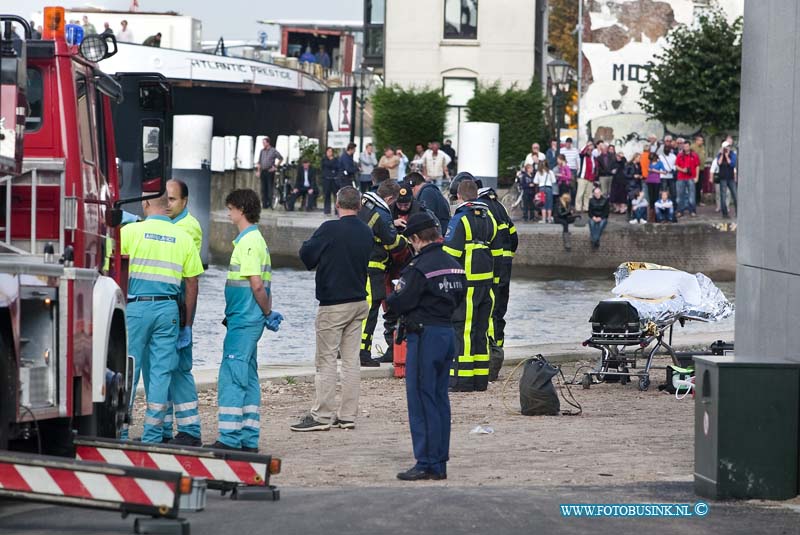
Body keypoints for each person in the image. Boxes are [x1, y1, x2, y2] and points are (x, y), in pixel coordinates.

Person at [386, 212, 466, 481]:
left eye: (411, 241)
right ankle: (440, 461)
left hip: (425, 336)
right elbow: (458, 298)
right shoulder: (455, 265)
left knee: (421, 399)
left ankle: (425, 462)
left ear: (417, 239)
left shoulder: (418, 267)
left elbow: (401, 300)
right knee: (440, 399)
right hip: (446, 334)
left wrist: (391, 297)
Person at [121, 193, 203, 443]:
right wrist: (187, 324)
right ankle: (153, 434)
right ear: (168, 206)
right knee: (160, 374)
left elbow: (110, 269)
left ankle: (120, 431)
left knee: (128, 372)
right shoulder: (184, 237)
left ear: (145, 204)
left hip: (135, 308)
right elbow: (192, 284)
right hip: (168, 310)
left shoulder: (130, 233)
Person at [292, 187, 373, 431]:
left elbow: (307, 255)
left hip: (333, 303)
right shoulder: (366, 231)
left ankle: (322, 415)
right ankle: (347, 415)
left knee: (326, 360)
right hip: (359, 301)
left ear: (337, 203)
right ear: (358, 206)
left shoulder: (329, 229)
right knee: (351, 361)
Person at [208, 190, 282, 451]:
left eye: (230, 209)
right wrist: (266, 315)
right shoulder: (254, 240)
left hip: (244, 320)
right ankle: (249, 437)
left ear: (240, 209)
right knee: (248, 377)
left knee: (232, 375)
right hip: (249, 319)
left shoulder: (249, 243)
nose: (228, 214)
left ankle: (229, 438)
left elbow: (257, 286)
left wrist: (266, 312)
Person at [444, 179, 500, 392]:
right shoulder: (489, 217)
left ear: (459, 195)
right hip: (486, 284)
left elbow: (450, 255)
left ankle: (463, 380)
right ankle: (480, 379)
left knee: (463, 331)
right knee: (481, 330)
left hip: (466, 285)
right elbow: (495, 248)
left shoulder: (460, 219)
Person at [162, 179, 204, 445]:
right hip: (167, 307)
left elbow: (189, 278)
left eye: (172, 200)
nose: (167, 205)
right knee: (162, 370)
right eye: (164, 199)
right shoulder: (169, 224)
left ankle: (189, 431)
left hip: (178, 307)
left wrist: (188, 324)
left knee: (179, 370)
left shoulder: (188, 227)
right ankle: (164, 430)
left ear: (185, 202)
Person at [358, 181, 407, 366]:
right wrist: (405, 238)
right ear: (389, 198)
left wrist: (390, 224)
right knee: (370, 309)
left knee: (355, 307)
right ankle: (362, 352)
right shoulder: (382, 213)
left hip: (358, 265)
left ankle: (348, 348)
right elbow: (392, 243)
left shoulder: (364, 203)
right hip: (374, 267)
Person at [477, 182, 518, 382]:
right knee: (500, 313)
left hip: (491, 269)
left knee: (489, 313)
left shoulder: (481, 208)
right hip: (506, 267)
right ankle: (498, 352)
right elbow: (513, 236)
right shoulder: (500, 207)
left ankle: (491, 357)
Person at [256, 137, 283, 210]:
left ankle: (270, 203)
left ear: (268, 143)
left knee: (269, 187)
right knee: (263, 188)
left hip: (270, 171)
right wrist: (258, 171)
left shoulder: (273, 150)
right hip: (263, 171)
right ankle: (264, 204)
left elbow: (281, 158)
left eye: (264, 143)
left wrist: (275, 167)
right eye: (263, 143)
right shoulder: (262, 151)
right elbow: (259, 162)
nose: (263, 144)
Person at [675, 140, 701, 217]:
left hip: (691, 177)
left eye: (687, 146)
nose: (685, 147)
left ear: (689, 146)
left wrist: (697, 177)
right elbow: (676, 166)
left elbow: (697, 166)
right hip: (681, 178)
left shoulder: (694, 155)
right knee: (680, 196)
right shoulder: (679, 155)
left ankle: (692, 211)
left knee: (692, 196)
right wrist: (682, 170)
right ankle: (680, 211)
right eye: (684, 146)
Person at [716, 142, 738, 218]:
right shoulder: (719, 154)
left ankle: (738, 213)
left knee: (735, 195)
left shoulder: (732, 154)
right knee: (723, 196)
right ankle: (725, 214)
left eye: (729, 146)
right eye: (726, 147)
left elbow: (732, 164)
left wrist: (727, 156)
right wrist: (722, 155)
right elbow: (719, 163)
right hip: (723, 178)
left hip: (731, 178)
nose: (728, 148)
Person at [576, 141, 596, 212]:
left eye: (591, 150)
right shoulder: (583, 156)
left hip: (590, 178)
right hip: (583, 177)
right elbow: (582, 152)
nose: (590, 151)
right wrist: (587, 145)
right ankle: (578, 207)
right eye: (589, 149)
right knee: (580, 193)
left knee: (588, 194)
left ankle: (586, 207)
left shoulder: (593, 157)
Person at [560, 137, 581, 202]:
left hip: (572, 170)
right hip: (564, 169)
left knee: (572, 188)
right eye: (567, 143)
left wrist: (578, 169)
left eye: (569, 143)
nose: (568, 145)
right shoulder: (562, 150)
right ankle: (564, 202)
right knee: (564, 187)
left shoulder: (575, 150)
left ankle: (572, 203)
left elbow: (578, 160)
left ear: (571, 144)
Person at [321, 146, 340, 215]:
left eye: (331, 151)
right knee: (327, 195)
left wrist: (332, 162)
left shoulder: (336, 159)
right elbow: (327, 165)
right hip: (326, 179)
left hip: (334, 180)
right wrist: (332, 162)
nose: (330, 153)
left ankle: (337, 210)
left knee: (336, 195)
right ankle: (327, 210)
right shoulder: (324, 159)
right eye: (328, 151)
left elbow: (337, 166)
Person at [609, 149, 628, 214]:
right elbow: (610, 169)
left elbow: (624, 162)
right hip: (615, 181)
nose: (618, 158)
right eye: (618, 156)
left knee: (622, 195)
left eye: (620, 157)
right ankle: (617, 208)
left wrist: (622, 157)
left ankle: (622, 208)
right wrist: (612, 171)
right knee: (615, 195)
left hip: (622, 181)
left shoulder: (624, 163)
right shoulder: (613, 162)